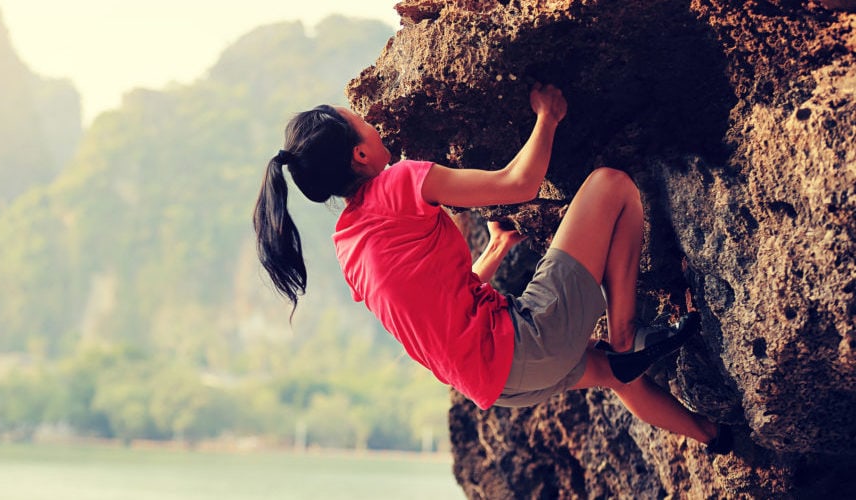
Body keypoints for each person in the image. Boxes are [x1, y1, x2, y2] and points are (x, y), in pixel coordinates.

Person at [253, 83, 732, 454]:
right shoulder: (399, 183)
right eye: (363, 123)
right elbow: (519, 182)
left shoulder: (350, 245)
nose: (376, 127)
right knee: (611, 185)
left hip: (500, 384)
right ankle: (626, 336)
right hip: (524, 348)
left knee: (610, 374)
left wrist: (497, 246)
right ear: (359, 154)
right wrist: (548, 116)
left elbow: (438, 309)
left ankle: (716, 438)